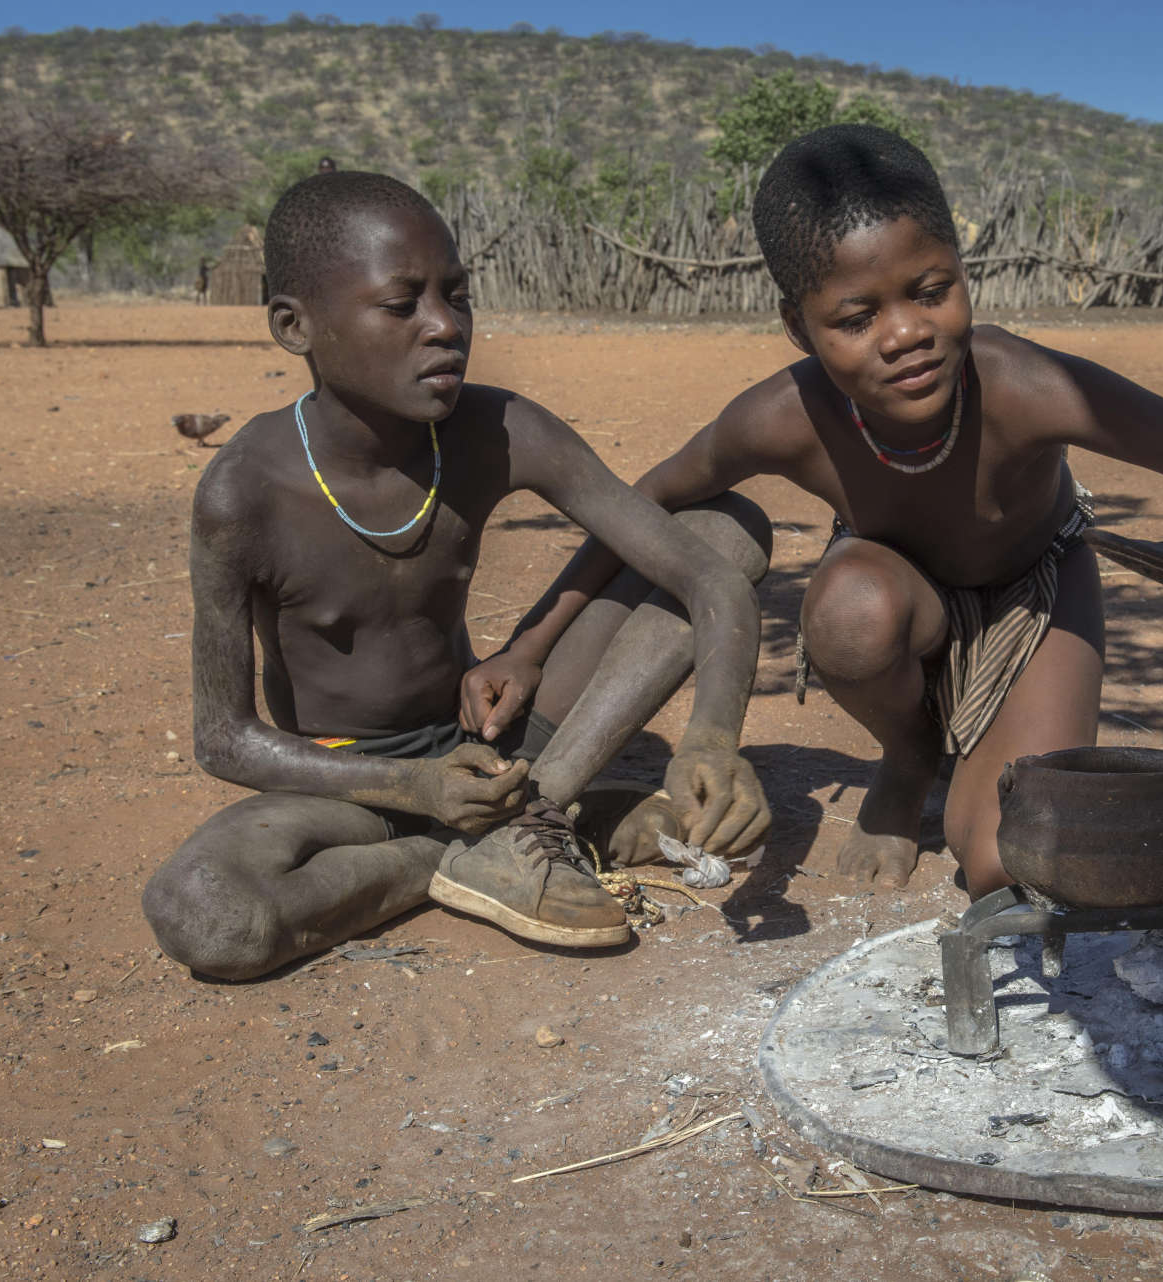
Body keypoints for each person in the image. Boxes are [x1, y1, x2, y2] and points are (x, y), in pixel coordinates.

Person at [506, 125, 1163, 899]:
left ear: (962, 271)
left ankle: (972, 760)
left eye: (930, 290)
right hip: (896, 603)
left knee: (1005, 862)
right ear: (797, 328)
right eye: (856, 317)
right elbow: (638, 506)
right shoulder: (781, 418)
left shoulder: (1025, 387)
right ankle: (908, 754)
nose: (905, 333)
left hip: (1037, 595)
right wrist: (530, 646)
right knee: (848, 612)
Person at [142, 171, 771, 981]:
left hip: (492, 737)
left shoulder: (498, 429)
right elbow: (223, 738)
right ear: (295, 326)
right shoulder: (243, 494)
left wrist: (712, 737)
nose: (446, 326)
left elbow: (711, 573)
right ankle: (471, 850)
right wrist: (416, 788)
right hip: (353, 782)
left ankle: (533, 814)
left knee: (729, 527)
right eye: (402, 305)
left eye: (458, 296)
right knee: (206, 910)